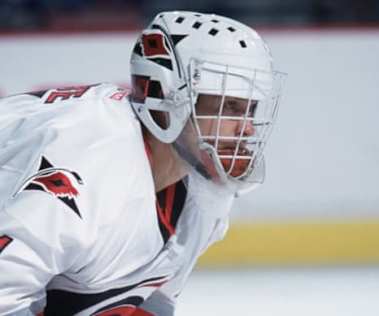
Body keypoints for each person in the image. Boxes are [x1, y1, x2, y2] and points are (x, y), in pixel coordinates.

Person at [0, 11, 285, 316]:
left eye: (250, 109)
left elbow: (143, 301)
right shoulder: (89, 167)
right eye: (229, 106)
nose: (248, 129)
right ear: (167, 97)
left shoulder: (206, 192)